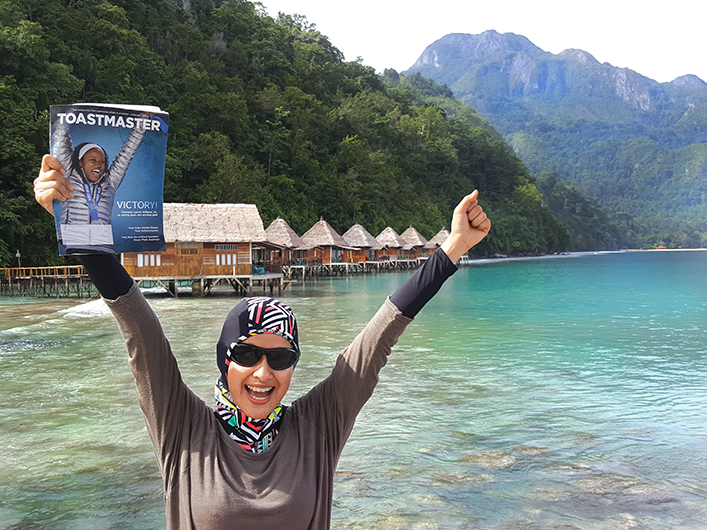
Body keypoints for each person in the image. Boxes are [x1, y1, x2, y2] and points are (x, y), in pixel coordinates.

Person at [34, 157, 490, 530]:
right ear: (224, 361)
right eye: (247, 354)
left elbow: (381, 334)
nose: (263, 372)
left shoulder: (318, 427)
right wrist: (77, 228)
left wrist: (452, 249)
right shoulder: (182, 428)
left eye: (281, 357)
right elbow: (137, 323)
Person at [50, 116, 146, 253]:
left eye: (102, 161)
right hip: (74, 243)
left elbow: (127, 153)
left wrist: (142, 124)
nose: (98, 164)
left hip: (103, 246)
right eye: (93, 160)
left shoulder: (110, 182)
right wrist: (62, 117)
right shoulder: (69, 176)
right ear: (80, 162)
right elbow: (61, 143)